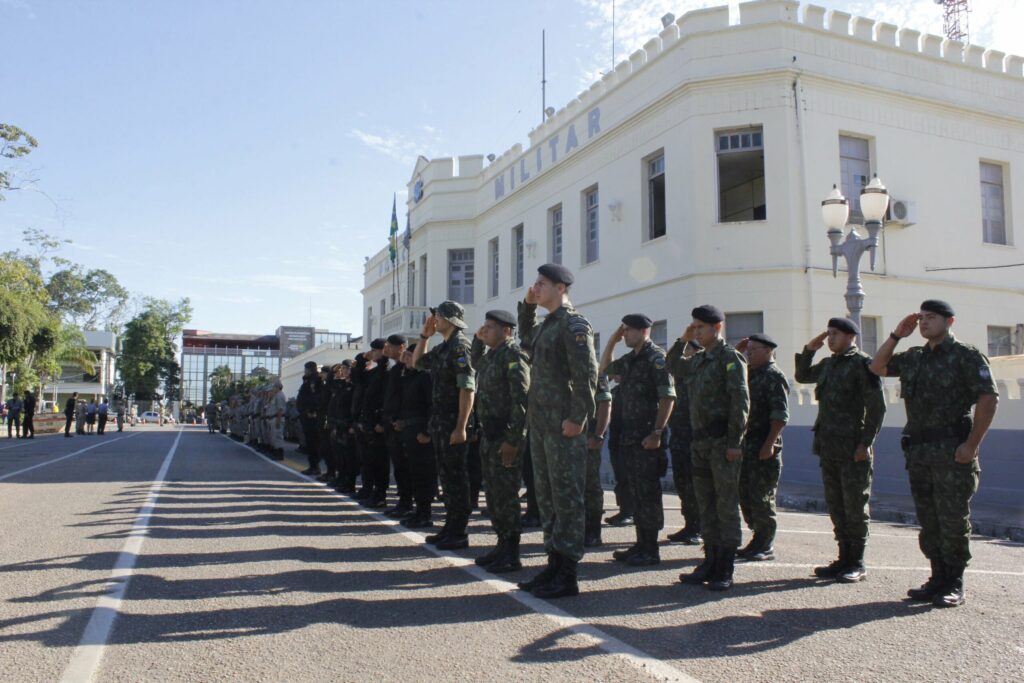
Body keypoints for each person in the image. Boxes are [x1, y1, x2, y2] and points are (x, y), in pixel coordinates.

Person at [868, 300, 998, 608]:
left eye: (932, 318)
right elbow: (876, 366)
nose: (924, 323)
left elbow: (988, 399)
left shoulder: (966, 356)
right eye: (922, 318)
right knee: (929, 520)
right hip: (920, 451)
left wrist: (972, 445)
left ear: (949, 321)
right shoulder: (914, 357)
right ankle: (937, 577)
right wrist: (897, 335)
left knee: (952, 519)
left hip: (952, 451)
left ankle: (954, 581)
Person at [516, 264, 598, 599]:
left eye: (542, 283)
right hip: (541, 425)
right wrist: (527, 306)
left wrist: (578, 417)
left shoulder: (573, 324)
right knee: (547, 496)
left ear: (561, 288)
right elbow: (525, 341)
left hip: (564, 425)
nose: (536, 287)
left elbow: (586, 373)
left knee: (566, 497)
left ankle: (568, 573)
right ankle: (553, 564)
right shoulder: (545, 325)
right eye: (535, 283)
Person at [794, 317, 885, 584]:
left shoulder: (862, 365)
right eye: (828, 334)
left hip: (853, 448)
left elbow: (877, 408)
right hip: (829, 446)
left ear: (850, 336)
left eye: (835, 334)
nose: (830, 338)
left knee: (855, 506)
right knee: (836, 506)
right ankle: (843, 558)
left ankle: (856, 562)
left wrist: (866, 443)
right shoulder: (828, 364)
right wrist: (810, 348)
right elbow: (801, 376)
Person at [671, 305, 750, 591]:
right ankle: (710, 560)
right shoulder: (699, 359)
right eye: (694, 327)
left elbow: (740, 402)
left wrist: (734, 443)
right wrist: (684, 338)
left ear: (716, 328)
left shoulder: (730, 358)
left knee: (725, 505)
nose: (697, 332)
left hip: (721, 443)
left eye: (700, 328)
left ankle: (725, 568)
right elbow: (673, 366)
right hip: (700, 442)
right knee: (706, 504)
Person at [601, 314, 676, 567]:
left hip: (647, 437)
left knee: (648, 493)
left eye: (629, 331)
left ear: (644, 331)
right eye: (623, 331)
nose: (625, 335)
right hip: (629, 437)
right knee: (635, 490)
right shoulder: (631, 359)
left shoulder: (656, 358)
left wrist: (657, 433)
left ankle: (651, 548)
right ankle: (640, 544)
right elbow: (605, 371)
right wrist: (612, 341)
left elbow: (668, 398)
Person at [412, 301, 476, 550]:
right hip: (440, 422)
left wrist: (461, 426)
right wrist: (423, 337)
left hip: (453, 422)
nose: (434, 320)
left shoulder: (460, 347)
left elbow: (467, 389)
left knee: (457, 478)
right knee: (447, 478)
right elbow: (417, 363)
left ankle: (459, 531)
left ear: (451, 319)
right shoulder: (443, 347)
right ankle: (450, 526)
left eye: (438, 316)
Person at [470, 310, 530, 573]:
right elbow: (475, 363)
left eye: (490, 327)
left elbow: (521, 399)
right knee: (494, 495)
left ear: (507, 330)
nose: (486, 330)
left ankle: (512, 552)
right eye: (485, 326)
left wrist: (513, 440)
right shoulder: (492, 355)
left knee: (506, 495)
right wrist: (477, 338)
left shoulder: (513, 355)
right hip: (490, 435)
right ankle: (502, 545)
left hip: (506, 436)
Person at [735, 333, 789, 562]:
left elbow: (780, 416)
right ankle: (757, 538)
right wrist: (737, 352)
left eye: (754, 349)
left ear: (768, 351)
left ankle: (765, 543)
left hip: (763, 446)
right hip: (747, 446)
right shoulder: (751, 373)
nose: (749, 353)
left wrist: (769, 444)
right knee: (746, 494)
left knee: (762, 496)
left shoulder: (774, 376)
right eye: (748, 350)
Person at [397, 345, 437, 528]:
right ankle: (419, 511)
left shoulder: (426, 376)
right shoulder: (411, 378)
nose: (405, 359)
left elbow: (432, 406)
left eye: (409, 356)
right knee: (414, 473)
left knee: (424, 474)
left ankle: (425, 513)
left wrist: (427, 432)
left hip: (421, 432)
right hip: (410, 431)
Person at [382, 334, 413, 517]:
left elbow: (408, 398)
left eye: (390, 346)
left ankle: (408, 503)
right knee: (399, 467)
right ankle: (403, 501)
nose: (387, 349)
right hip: (392, 423)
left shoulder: (407, 369)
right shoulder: (394, 370)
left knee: (405, 467)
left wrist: (401, 419)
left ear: (401, 347)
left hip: (404, 424)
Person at [584, 374, 612, 548]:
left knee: (590, 486)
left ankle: (593, 532)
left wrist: (598, 435)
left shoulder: (595, 373)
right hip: (563, 438)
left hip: (587, 438)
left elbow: (605, 404)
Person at [296, 361, 323, 475]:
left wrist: (311, 411)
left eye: (306, 369)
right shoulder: (308, 380)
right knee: (310, 442)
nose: (304, 371)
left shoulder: (315, 380)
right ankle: (312, 466)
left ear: (310, 369)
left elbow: (316, 397)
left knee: (313, 443)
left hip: (311, 417)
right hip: (306, 416)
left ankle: (315, 466)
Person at [267, 380, 287, 461]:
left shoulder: (280, 395)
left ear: (278, 387)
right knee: (274, 437)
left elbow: (280, 409)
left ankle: (279, 455)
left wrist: (278, 421)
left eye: (274, 387)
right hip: (274, 418)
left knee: (278, 437)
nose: (273, 389)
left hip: (277, 418)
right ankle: (276, 453)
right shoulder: (276, 395)